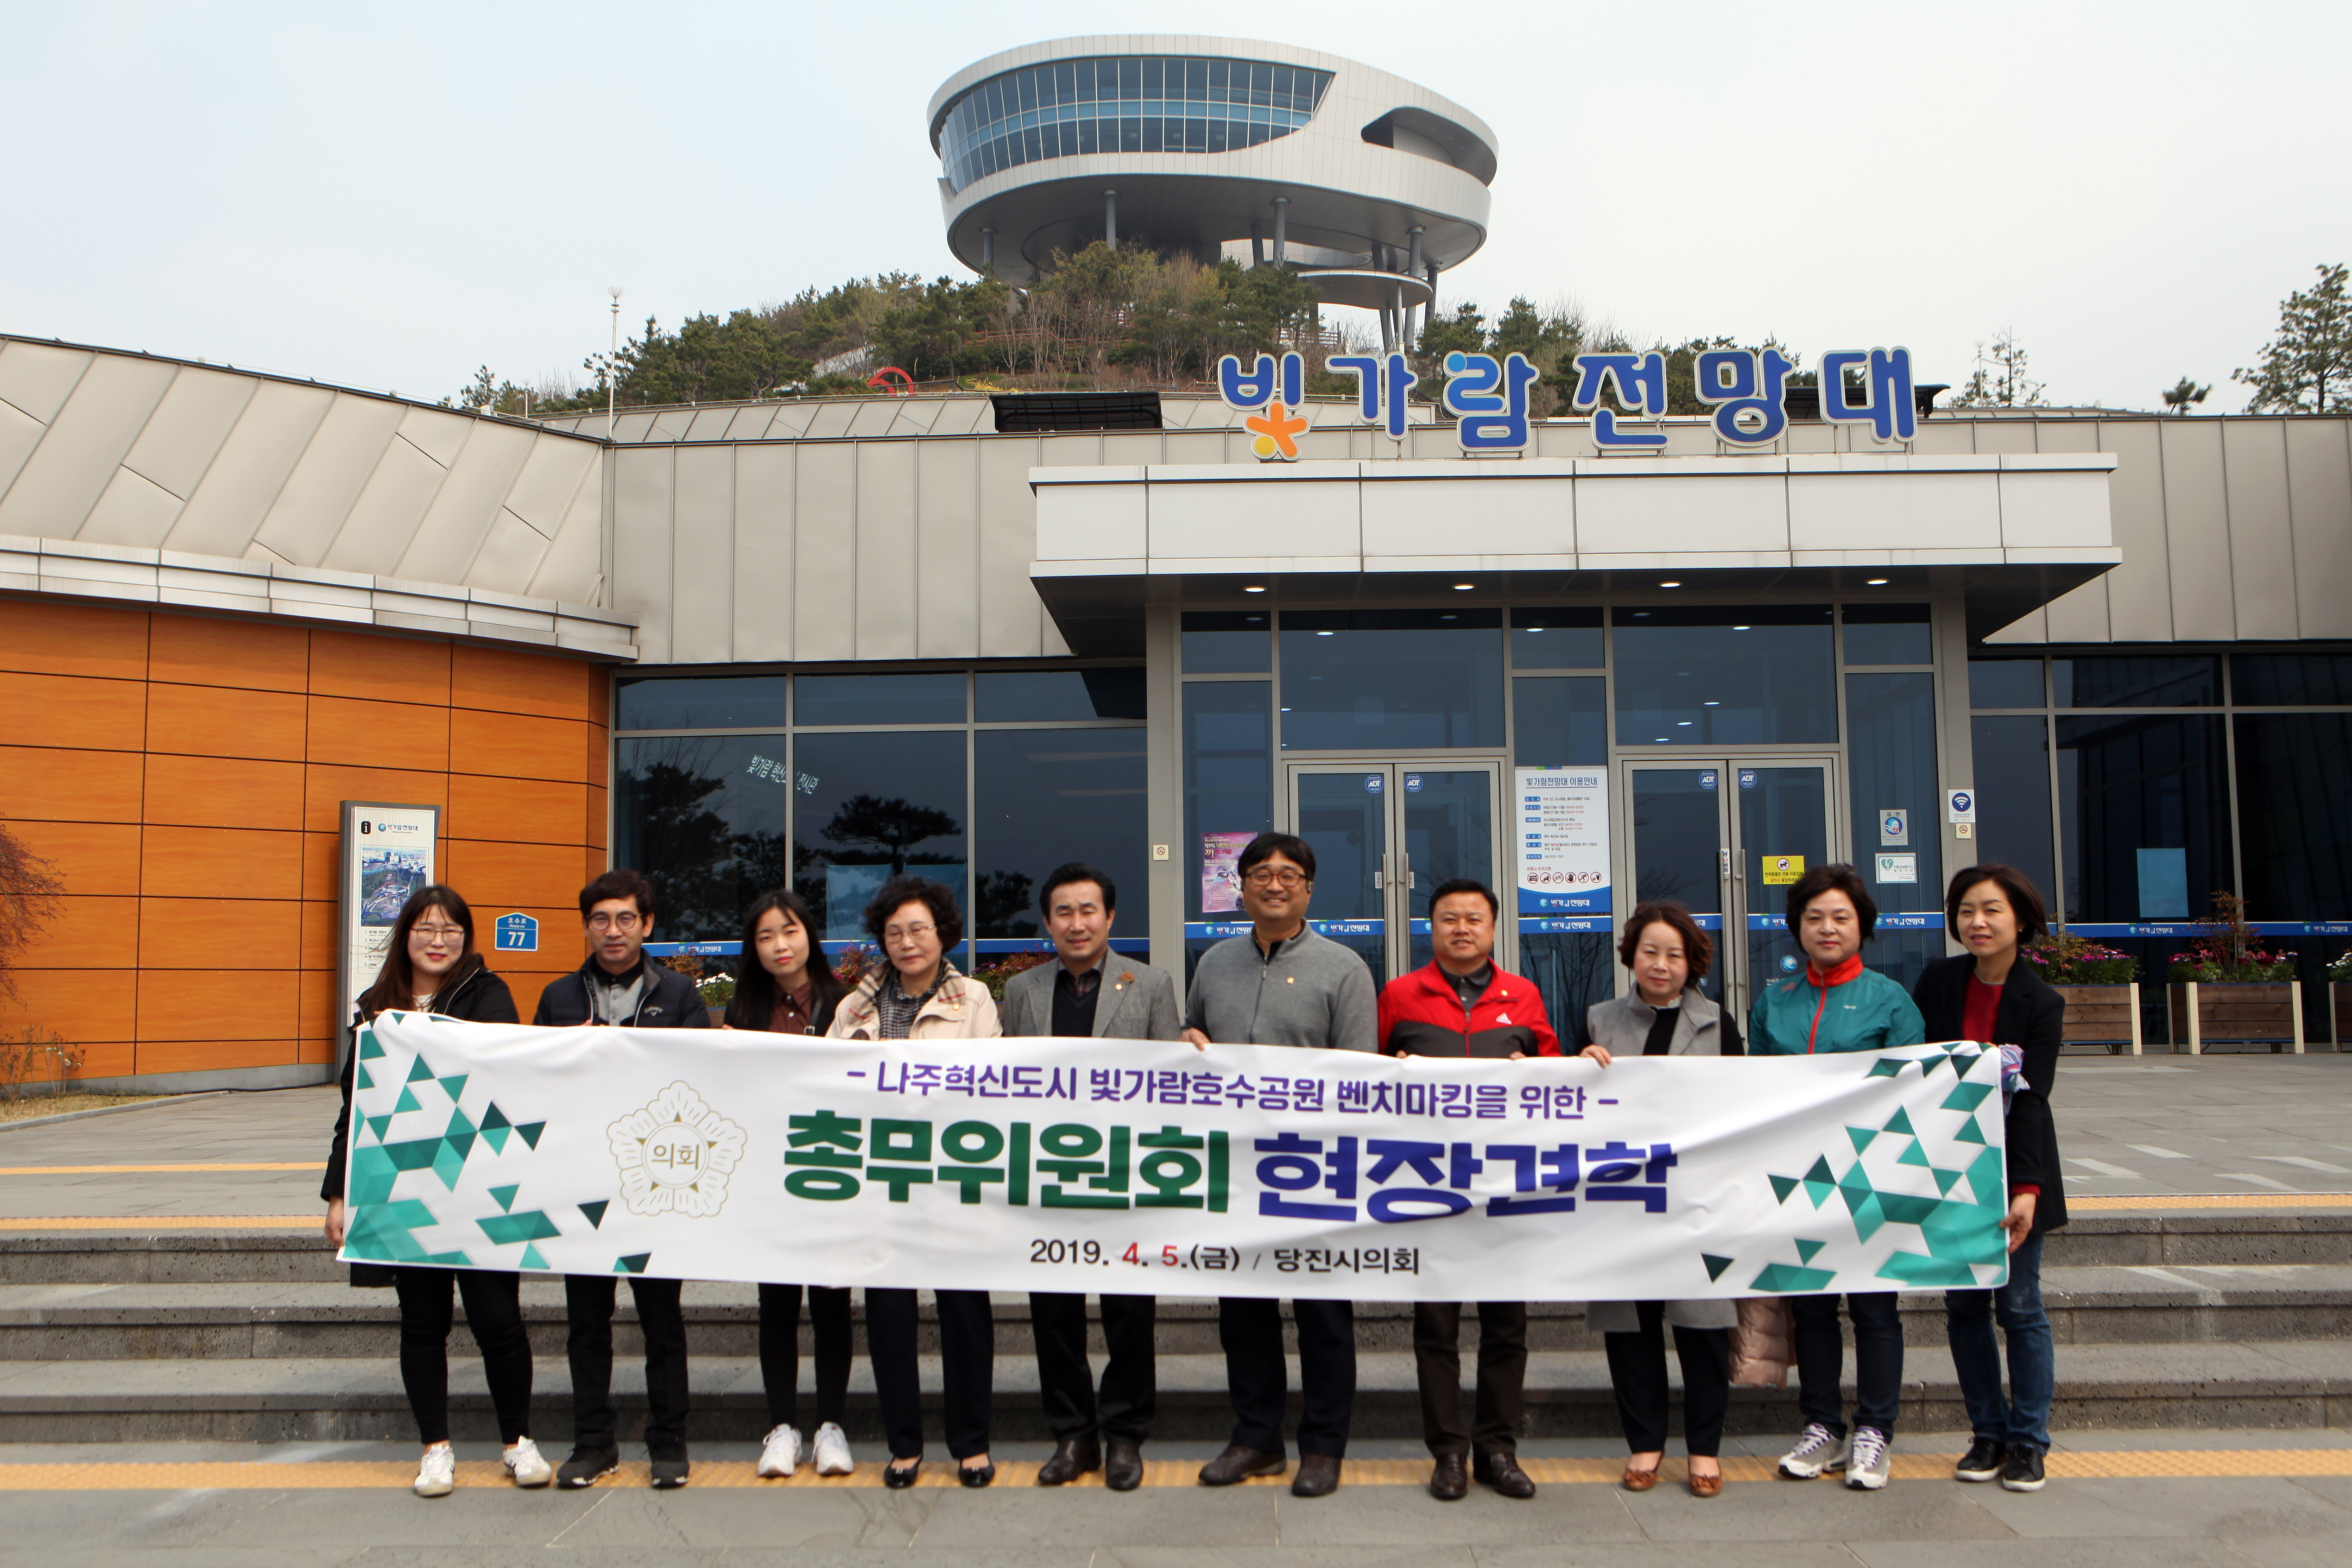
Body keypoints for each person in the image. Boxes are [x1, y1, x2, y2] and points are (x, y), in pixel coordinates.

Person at [321, 885, 546, 1498]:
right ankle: (435, 1449)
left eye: (451, 929)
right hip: (404, 1190)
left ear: (466, 939)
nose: (439, 940)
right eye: (426, 929)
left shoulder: (487, 995)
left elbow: (499, 1071)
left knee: (499, 1320)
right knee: (422, 1324)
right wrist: (339, 1195)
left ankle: (517, 1442)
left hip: (478, 1187)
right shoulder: (374, 1007)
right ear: (406, 937)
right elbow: (355, 1110)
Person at [1181, 832, 1378, 1499]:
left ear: (1309, 889)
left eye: (1288, 875)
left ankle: (1323, 1446)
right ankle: (1255, 1438)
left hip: (1316, 1169)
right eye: (1260, 874)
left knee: (1325, 1316)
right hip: (1234, 1170)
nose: (1273, 884)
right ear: (1240, 885)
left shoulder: (1344, 967)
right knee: (1244, 1315)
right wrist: (1188, 1042)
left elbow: (1358, 1076)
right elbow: (1194, 1039)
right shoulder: (1213, 963)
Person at [999, 864, 1182, 1492]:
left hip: (1125, 1177)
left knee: (1130, 1312)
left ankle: (1126, 1434)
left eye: (1089, 911)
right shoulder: (1022, 990)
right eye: (1064, 913)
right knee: (1054, 1313)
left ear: (1110, 918)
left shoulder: (1151, 984)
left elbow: (1169, 1083)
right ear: (1047, 921)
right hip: (1048, 1178)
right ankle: (1073, 1433)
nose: (1077, 924)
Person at [1376, 878, 1555, 1502]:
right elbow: (1361, 1084)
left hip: (1507, 1189)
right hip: (1429, 1188)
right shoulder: (1400, 995)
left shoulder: (1524, 996)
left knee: (1507, 1327)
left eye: (1474, 919)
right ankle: (1448, 1453)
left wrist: (1545, 1069)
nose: (1462, 928)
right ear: (1432, 928)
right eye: (1449, 918)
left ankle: (1498, 1451)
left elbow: (1559, 1087)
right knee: (1437, 1329)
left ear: (1494, 928)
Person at [533, 868, 712, 1491]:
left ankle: (668, 1442)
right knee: (587, 1322)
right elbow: (531, 1086)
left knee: (662, 1319)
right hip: (581, 1183)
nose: (614, 931)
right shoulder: (558, 999)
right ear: (586, 927)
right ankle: (593, 1443)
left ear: (648, 925)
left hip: (656, 1182)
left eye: (626, 919)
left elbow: (702, 1080)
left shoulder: (681, 995)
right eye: (602, 920)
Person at [1749, 863, 1926, 1493]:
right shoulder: (1776, 1001)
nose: (1827, 928)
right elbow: (1756, 1090)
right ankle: (1821, 1424)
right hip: (1800, 1181)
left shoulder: (1890, 1000)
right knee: (1815, 1310)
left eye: (1841, 918)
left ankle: (1875, 1430)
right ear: (1797, 928)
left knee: (1876, 1310)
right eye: (1814, 918)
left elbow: (1915, 1097)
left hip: (1872, 1180)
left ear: (1863, 927)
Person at [828, 875, 1004, 1488]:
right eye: (895, 932)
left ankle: (971, 1443)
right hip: (883, 1185)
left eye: (918, 930)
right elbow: (829, 1087)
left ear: (942, 934)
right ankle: (904, 1443)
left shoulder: (974, 999)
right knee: (889, 1318)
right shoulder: (853, 1007)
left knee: (964, 1315)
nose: (907, 943)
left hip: (953, 1181)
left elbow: (992, 1085)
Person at [1575, 900, 1744, 1499]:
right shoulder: (1599, 1020)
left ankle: (1705, 1451)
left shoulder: (1719, 1024)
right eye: (1650, 952)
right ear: (1631, 956)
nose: (1661, 965)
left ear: (1692, 961)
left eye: (1674, 954)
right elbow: (1569, 1110)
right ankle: (1644, 1444)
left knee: (1703, 1332)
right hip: (1621, 1203)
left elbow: (1743, 1109)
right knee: (1632, 1330)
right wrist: (1581, 1066)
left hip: (1696, 1201)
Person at [1914, 864, 2068, 1495]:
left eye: (1991, 911)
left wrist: (2025, 1190)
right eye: (1966, 911)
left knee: (2022, 1308)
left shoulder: (2042, 1003)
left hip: (2012, 1173)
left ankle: (2030, 1442)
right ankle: (1988, 1432)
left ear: (2021, 920)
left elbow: (2033, 1100)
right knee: (1964, 1308)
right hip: (1949, 1171)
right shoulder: (1939, 982)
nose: (1977, 923)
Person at [721, 890, 857, 1481]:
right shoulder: (741, 1010)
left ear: (810, 937)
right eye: (766, 936)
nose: (780, 945)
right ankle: (781, 1427)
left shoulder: (847, 1004)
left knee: (831, 1304)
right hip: (768, 1180)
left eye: (790, 931)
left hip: (833, 1174)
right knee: (776, 1305)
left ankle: (831, 1426)